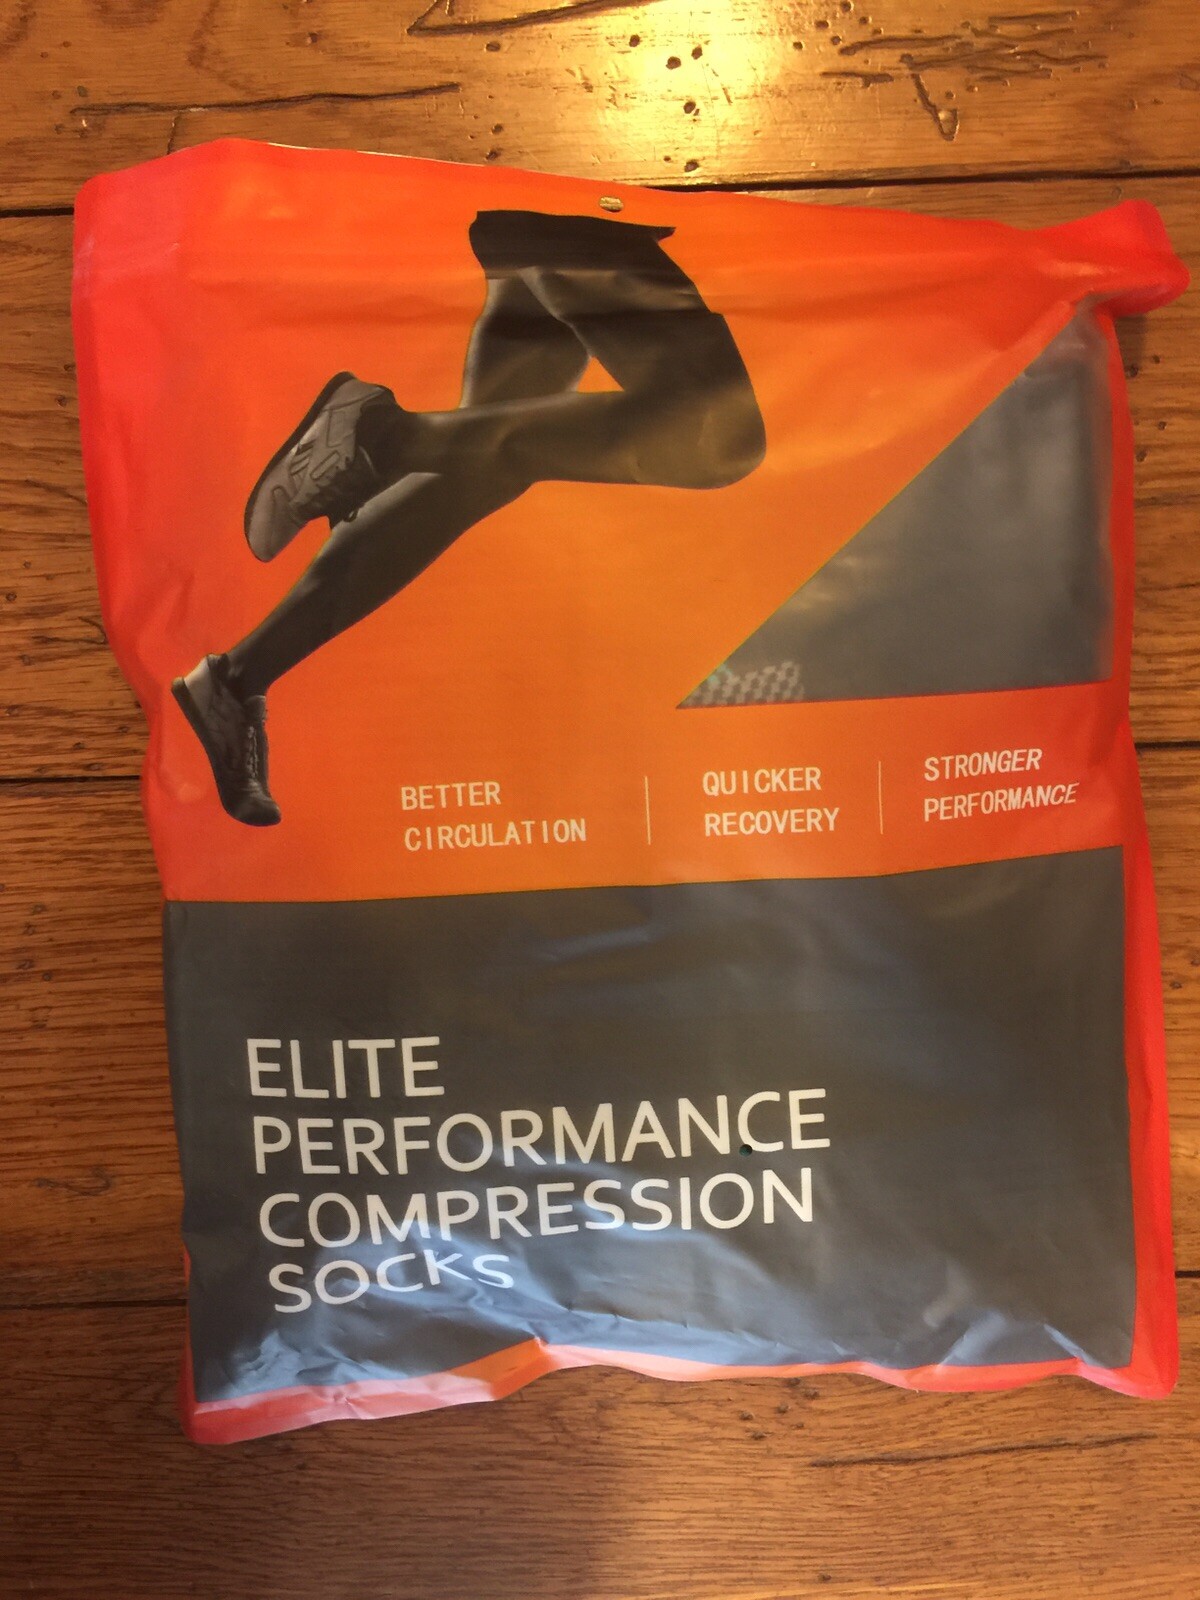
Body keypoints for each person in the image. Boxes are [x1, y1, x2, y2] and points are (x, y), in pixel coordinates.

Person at [173, 208, 766, 825]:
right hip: (583, 229)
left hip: (549, 224)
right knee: (713, 437)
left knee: (472, 467)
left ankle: (235, 679)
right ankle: (380, 435)